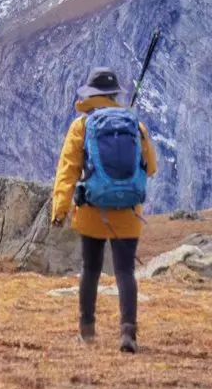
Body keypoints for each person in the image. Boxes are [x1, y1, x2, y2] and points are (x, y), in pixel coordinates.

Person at [51, 65, 157, 354]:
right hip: (128, 211)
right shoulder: (135, 125)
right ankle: (128, 333)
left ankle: (86, 332)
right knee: (125, 271)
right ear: (114, 95)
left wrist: (59, 210)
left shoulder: (82, 126)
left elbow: (68, 171)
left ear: (91, 94)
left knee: (91, 269)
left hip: (93, 210)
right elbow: (151, 167)